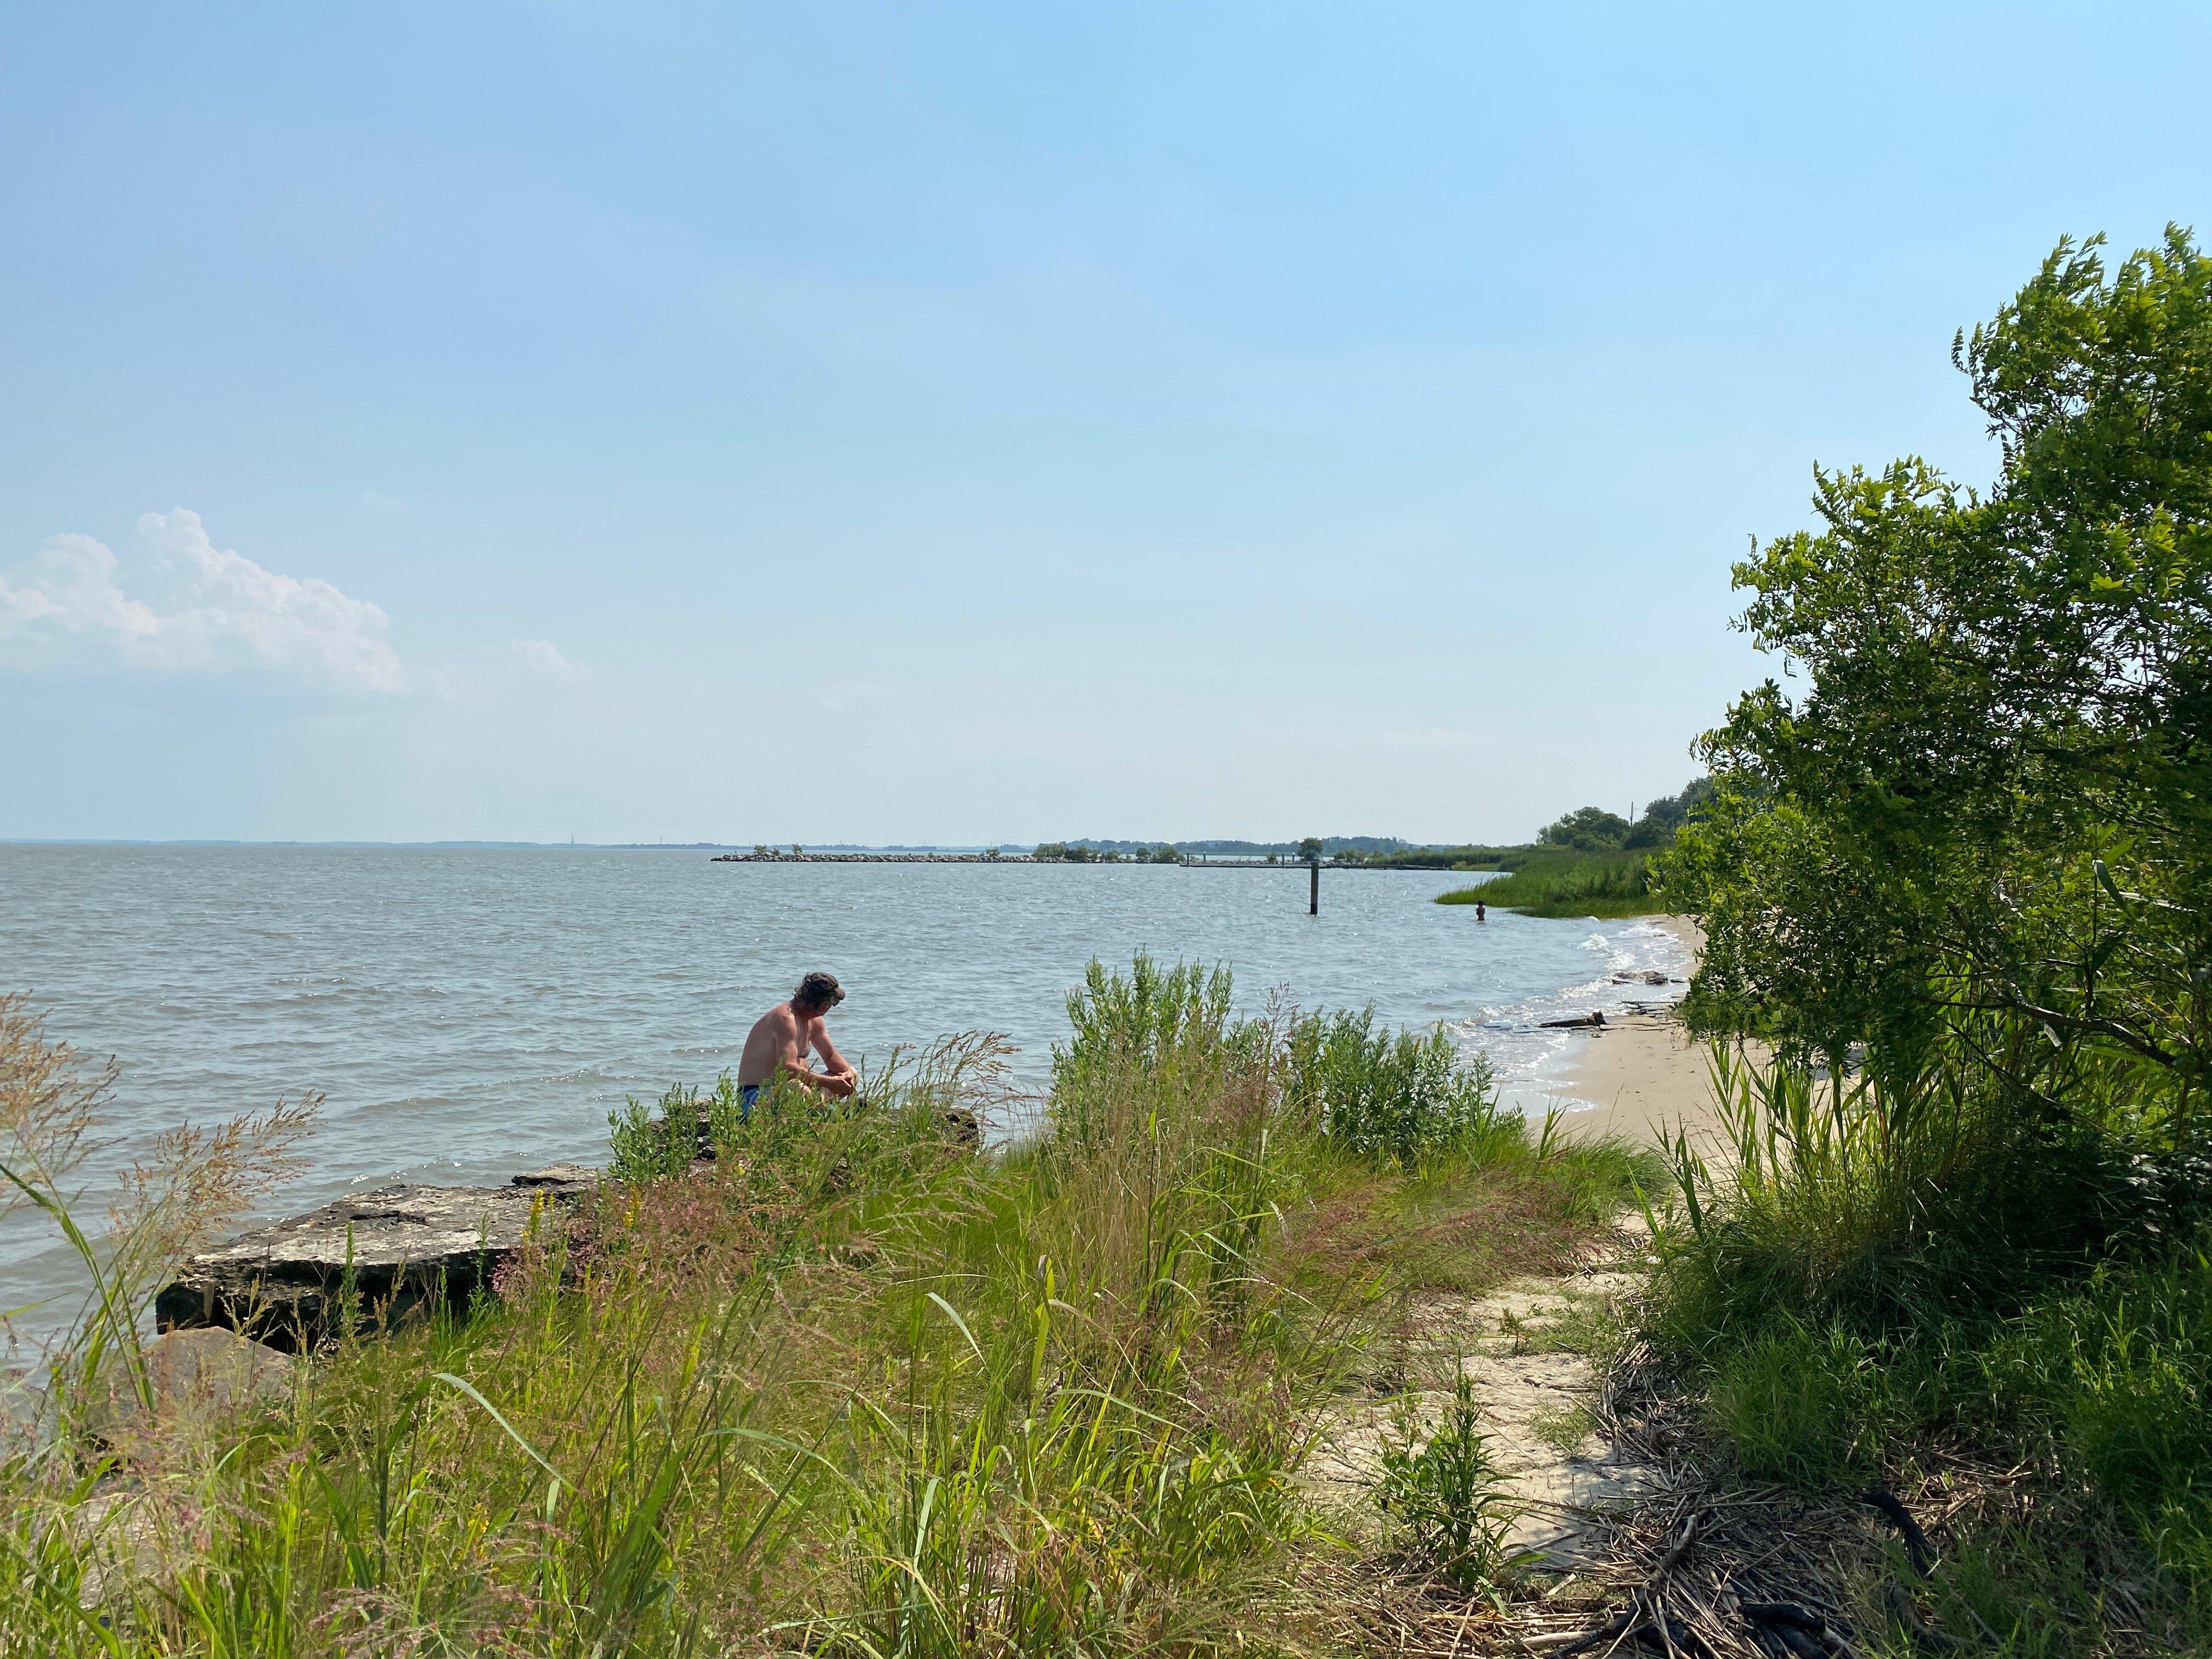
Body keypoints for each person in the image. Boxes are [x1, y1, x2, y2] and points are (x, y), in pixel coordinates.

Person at [737, 971, 856, 1124]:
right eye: (832, 1002)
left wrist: (845, 1075)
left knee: (852, 1073)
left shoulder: (815, 1021)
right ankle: (827, 1114)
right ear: (820, 1003)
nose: (831, 1007)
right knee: (796, 1088)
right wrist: (830, 1083)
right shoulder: (785, 1020)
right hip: (755, 1095)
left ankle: (819, 1110)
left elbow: (830, 1055)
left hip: (800, 1088)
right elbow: (788, 1069)